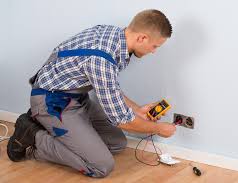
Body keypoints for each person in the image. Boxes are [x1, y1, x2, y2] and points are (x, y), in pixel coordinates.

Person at [7, 9, 176, 178]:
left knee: (117, 143)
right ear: (142, 38)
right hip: (51, 103)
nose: (154, 51)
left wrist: (138, 110)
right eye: (155, 46)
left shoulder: (113, 35)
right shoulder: (102, 59)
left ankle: (58, 131)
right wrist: (158, 129)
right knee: (100, 166)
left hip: (77, 99)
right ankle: (32, 138)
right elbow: (121, 120)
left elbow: (110, 89)